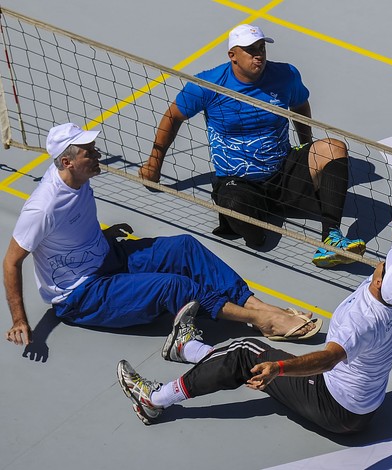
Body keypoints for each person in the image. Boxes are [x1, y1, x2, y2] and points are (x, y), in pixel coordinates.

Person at [116, 120, 392, 433]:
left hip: (335, 408)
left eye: (384, 266)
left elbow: (329, 359)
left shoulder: (364, 319)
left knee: (246, 353)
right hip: (365, 405)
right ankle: (190, 351)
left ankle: (154, 399)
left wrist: (281, 369)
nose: (386, 261)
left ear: (378, 281)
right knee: (258, 363)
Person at [4, 123, 321, 348]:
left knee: (184, 247)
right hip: (82, 295)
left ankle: (258, 305)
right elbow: (11, 262)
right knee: (175, 286)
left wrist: (104, 234)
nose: (97, 153)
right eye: (89, 152)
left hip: (108, 256)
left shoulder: (79, 177)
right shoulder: (42, 208)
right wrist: (20, 320)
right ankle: (257, 321)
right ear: (67, 162)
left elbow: (72, 226)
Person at [139, 24, 365, 268]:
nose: (259, 54)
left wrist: (306, 145)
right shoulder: (208, 85)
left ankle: (331, 239)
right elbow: (173, 116)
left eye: (261, 48)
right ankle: (258, 214)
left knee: (334, 147)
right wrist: (154, 164)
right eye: (250, 50)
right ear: (232, 56)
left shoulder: (286, 75)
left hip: (282, 170)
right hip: (238, 181)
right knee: (253, 235)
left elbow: (300, 105)